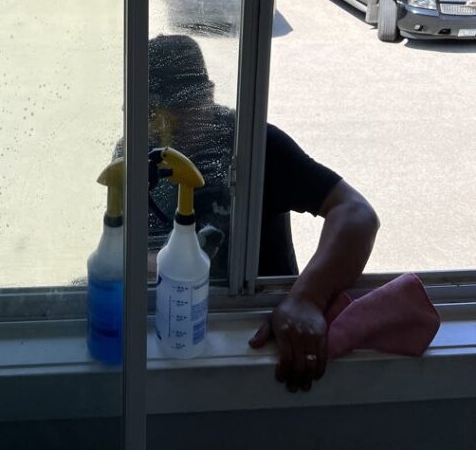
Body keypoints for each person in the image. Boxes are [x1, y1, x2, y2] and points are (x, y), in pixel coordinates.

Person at [146, 34, 379, 392]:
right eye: (162, 111)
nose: (176, 123)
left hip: (255, 319)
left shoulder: (254, 145)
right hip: (176, 324)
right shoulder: (142, 155)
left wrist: (307, 298)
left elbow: (356, 213)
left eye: (188, 105)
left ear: (209, 92)